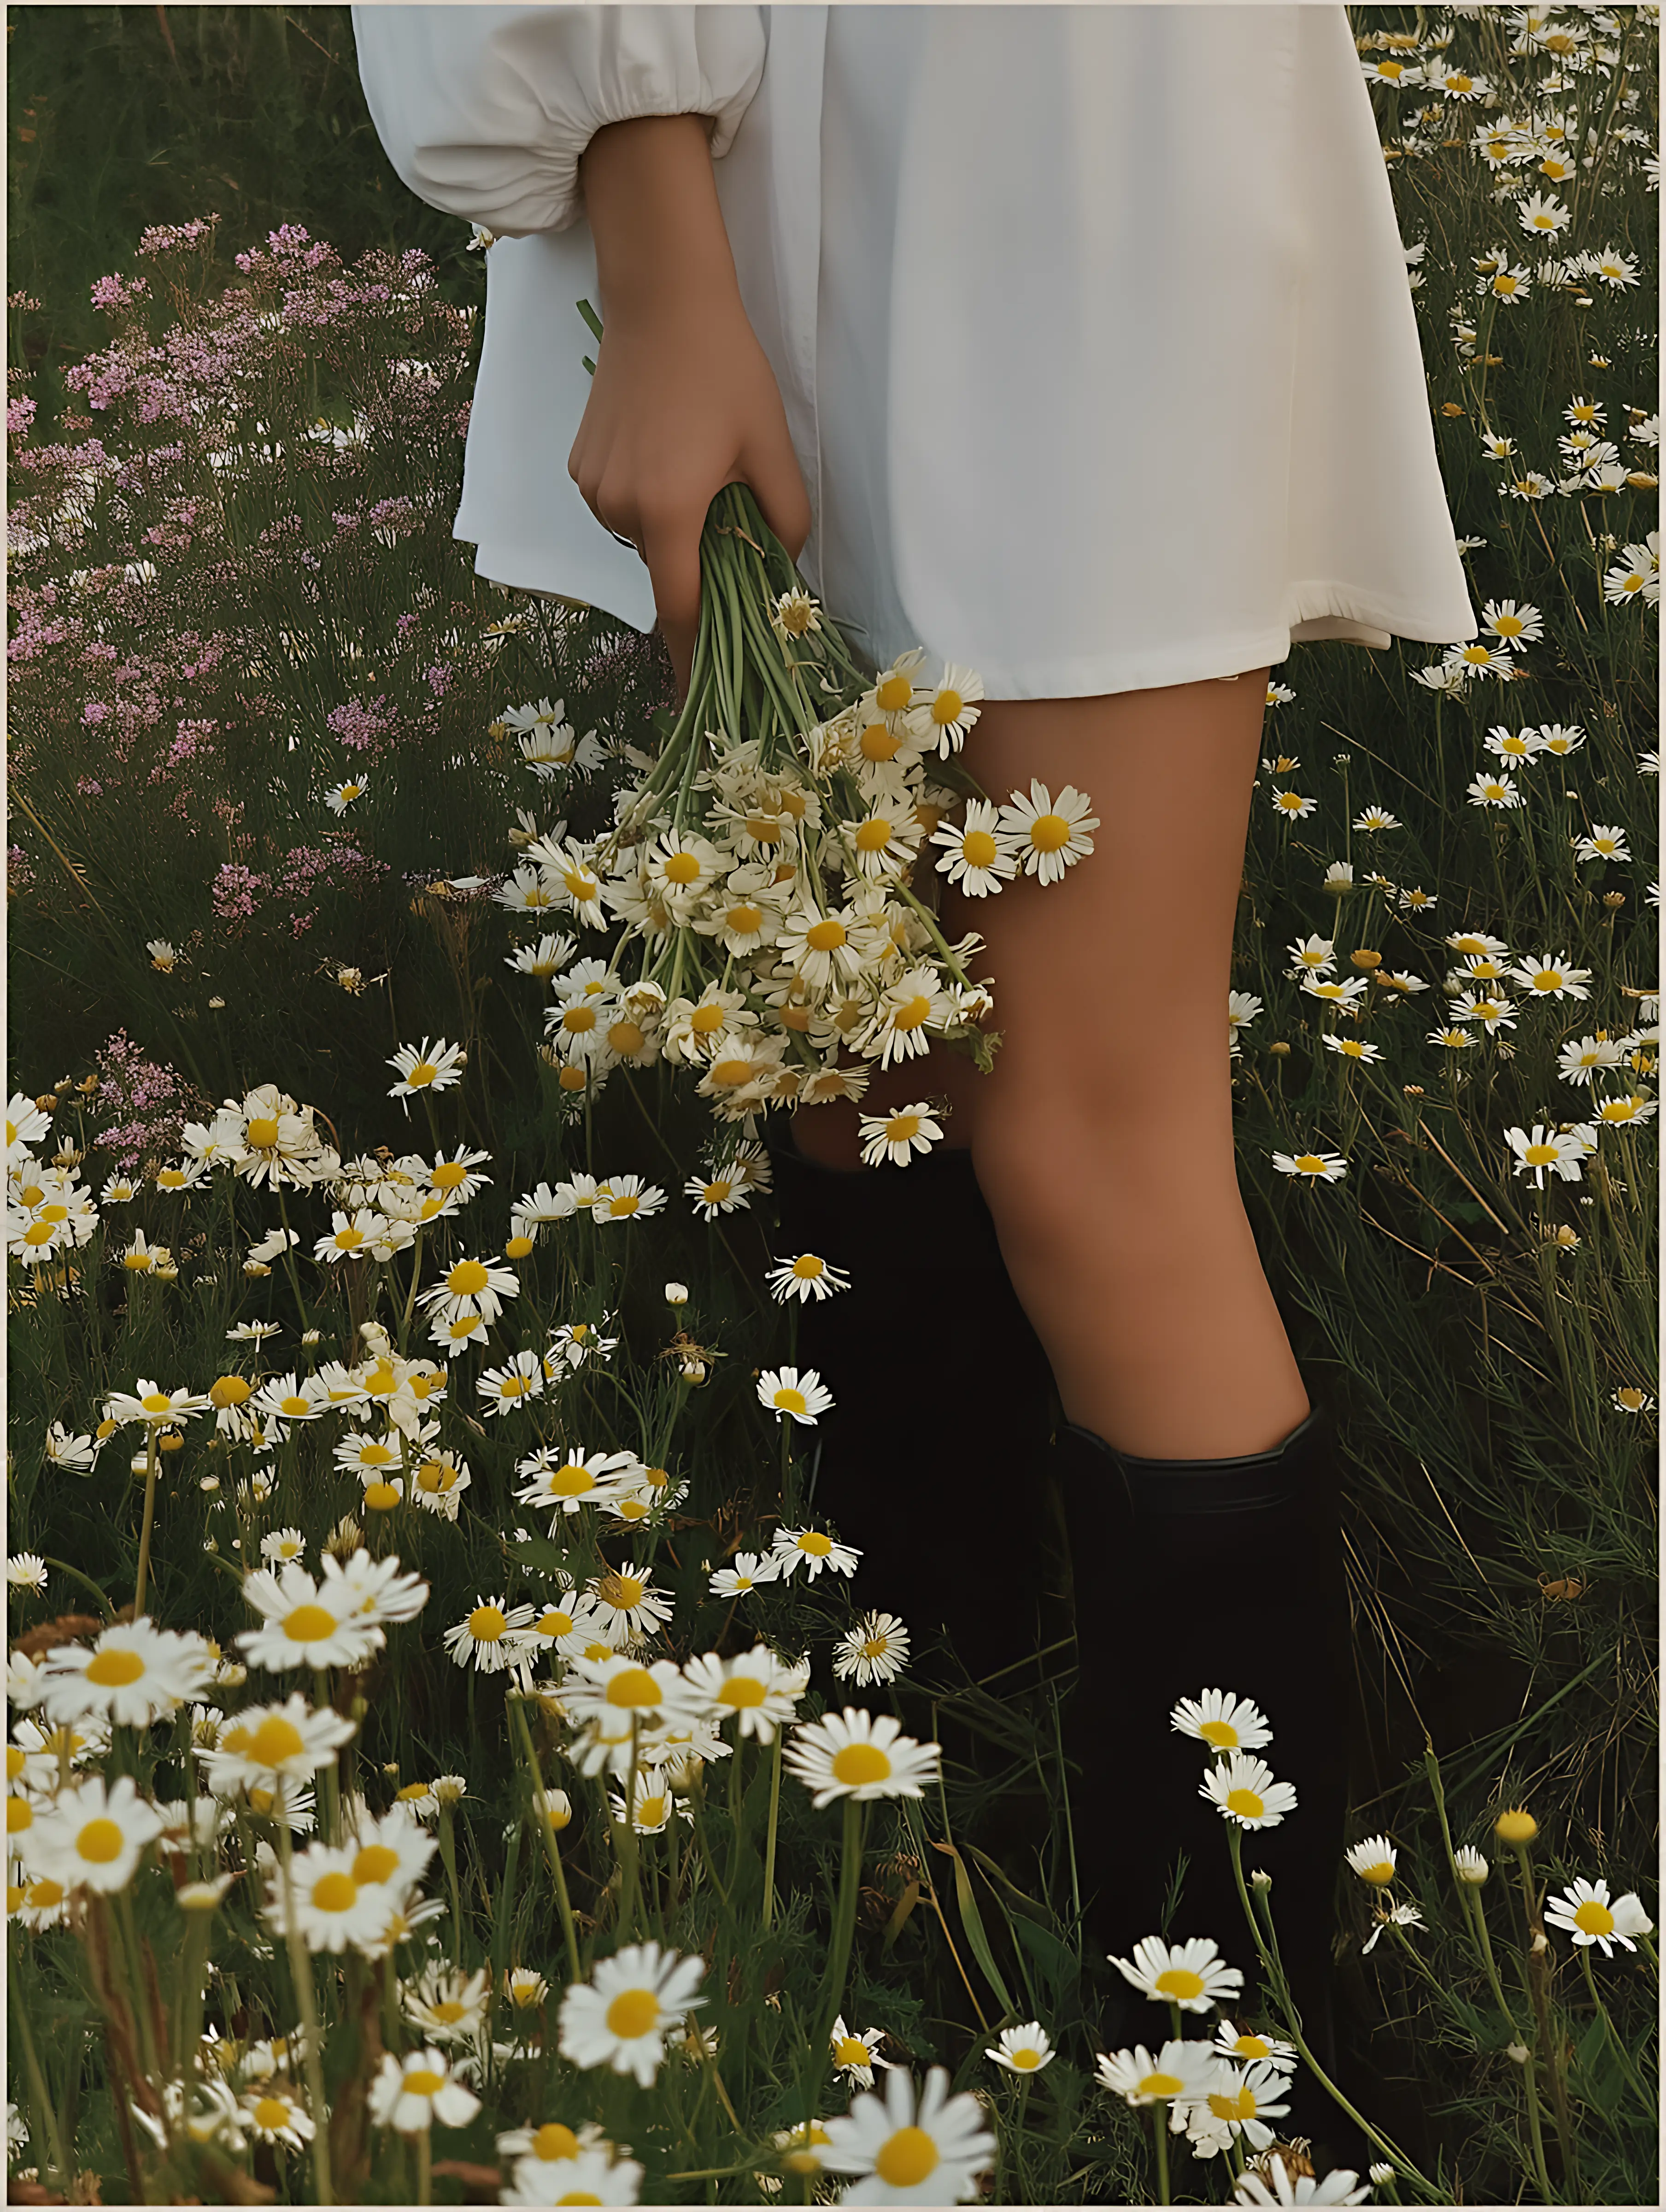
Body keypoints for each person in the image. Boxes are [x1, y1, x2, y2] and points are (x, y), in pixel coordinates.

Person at [353, 0, 1478, 2135]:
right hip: (767, 127)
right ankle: (915, 1761)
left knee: (1085, 1128)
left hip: (1067, 137)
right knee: (838, 1014)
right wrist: (660, 243)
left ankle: (1232, 2063)